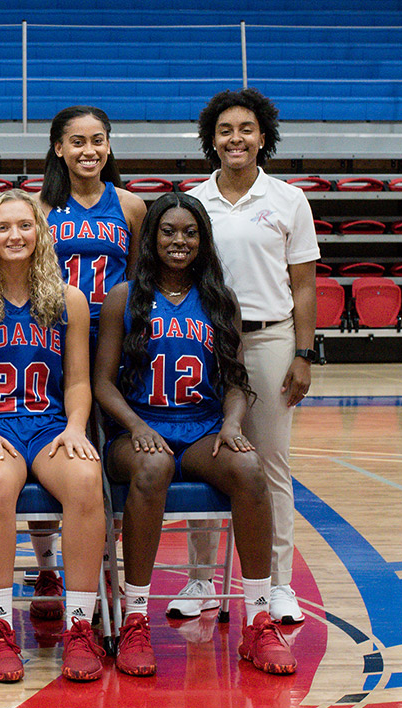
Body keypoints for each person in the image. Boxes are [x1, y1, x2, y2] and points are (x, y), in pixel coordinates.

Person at [93, 192, 297, 677]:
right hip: (141, 428)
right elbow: (101, 381)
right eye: (168, 232)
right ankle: (136, 619)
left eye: (190, 232)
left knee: (248, 468)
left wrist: (231, 425)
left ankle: (258, 618)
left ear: (203, 240)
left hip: (204, 428)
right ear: (151, 238)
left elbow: (236, 382)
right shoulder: (123, 297)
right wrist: (137, 426)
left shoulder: (220, 299)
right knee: (153, 465)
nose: (179, 241)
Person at [0, 190, 107, 683]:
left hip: (50, 424)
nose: (14, 235)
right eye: (3, 226)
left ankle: (79, 627)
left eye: (24, 226)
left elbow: (77, 381)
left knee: (84, 478)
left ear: (41, 233)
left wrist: (76, 427)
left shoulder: (68, 299)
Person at [179, 89, 318, 625]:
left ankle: (278, 584)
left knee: (271, 465)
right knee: (208, 457)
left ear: (263, 137)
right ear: (211, 140)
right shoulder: (194, 200)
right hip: (205, 340)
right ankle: (200, 581)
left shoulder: (289, 200)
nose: (235, 139)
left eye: (246, 129)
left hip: (270, 339)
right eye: (225, 130)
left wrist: (303, 353)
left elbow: (304, 286)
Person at [30, 105, 148, 619]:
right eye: (77, 141)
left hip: (115, 346)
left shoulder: (132, 206)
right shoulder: (37, 207)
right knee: (50, 454)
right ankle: (47, 565)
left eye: (98, 140)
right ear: (58, 148)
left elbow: (142, 284)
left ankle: (105, 570)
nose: (88, 151)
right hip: (51, 346)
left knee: (105, 468)